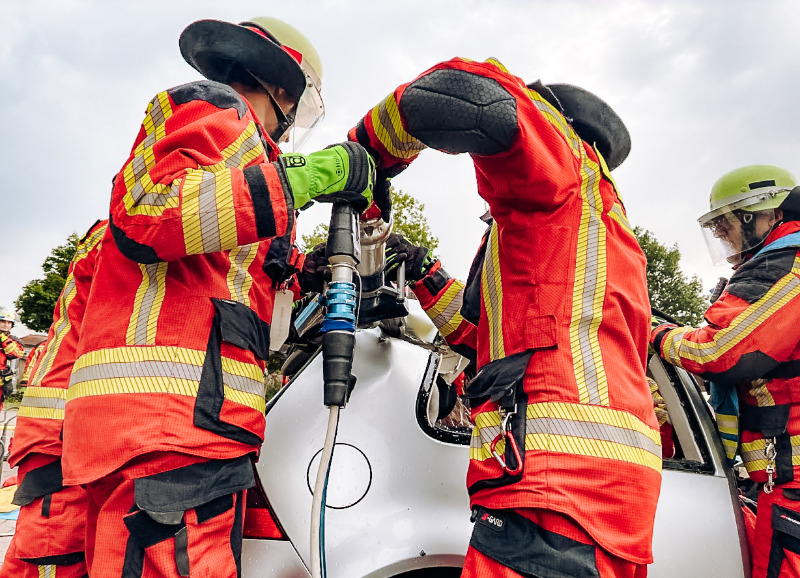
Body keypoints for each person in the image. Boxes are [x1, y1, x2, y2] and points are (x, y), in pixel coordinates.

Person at [61, 17, 376, 578]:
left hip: (177, 427)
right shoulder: (216, 110)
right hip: (170, 423)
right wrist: (304, 178)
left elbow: (243, 283)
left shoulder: (247, 167)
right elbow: (149, 212)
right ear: (284, 89)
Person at [350, 59, 661, 576]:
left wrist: (368, 154)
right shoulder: (587, 233)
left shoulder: (562, 169)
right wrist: (423, 272)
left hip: (556, 483)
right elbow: (486, 340)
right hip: (603, 491)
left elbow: (463, 95)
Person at [650, 164, 800, 578]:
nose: (723, 238)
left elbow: (722, 352)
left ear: (765, 214)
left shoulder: (786, 266)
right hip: (777, 480)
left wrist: (658, 334)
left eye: (728, 226)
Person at [0, 219, 105, 578]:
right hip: (59, 427)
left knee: (49, 543)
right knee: (54, 550)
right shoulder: (124, 235)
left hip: (54, 418)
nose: (6, 329)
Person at [0, 308, 24, 404]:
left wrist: (3, 339)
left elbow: (16, 353)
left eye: (9, 323)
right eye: (3, 321)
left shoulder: (14, 340)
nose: (6, 325)